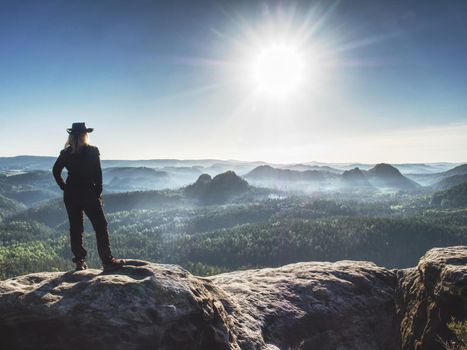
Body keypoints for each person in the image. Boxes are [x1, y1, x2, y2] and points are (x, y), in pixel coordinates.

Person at [52, 122, 124, 272]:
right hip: (89, 193)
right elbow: (98, 174)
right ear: (85, 135)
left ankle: (79, 261)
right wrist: (97, 193)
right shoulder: (92, 151)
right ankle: (107, 261)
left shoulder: (66, 153)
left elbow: (55, 171)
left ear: (71, 136)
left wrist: (64, 186)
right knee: (100, 226)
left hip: (71, 194)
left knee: (76, 228)